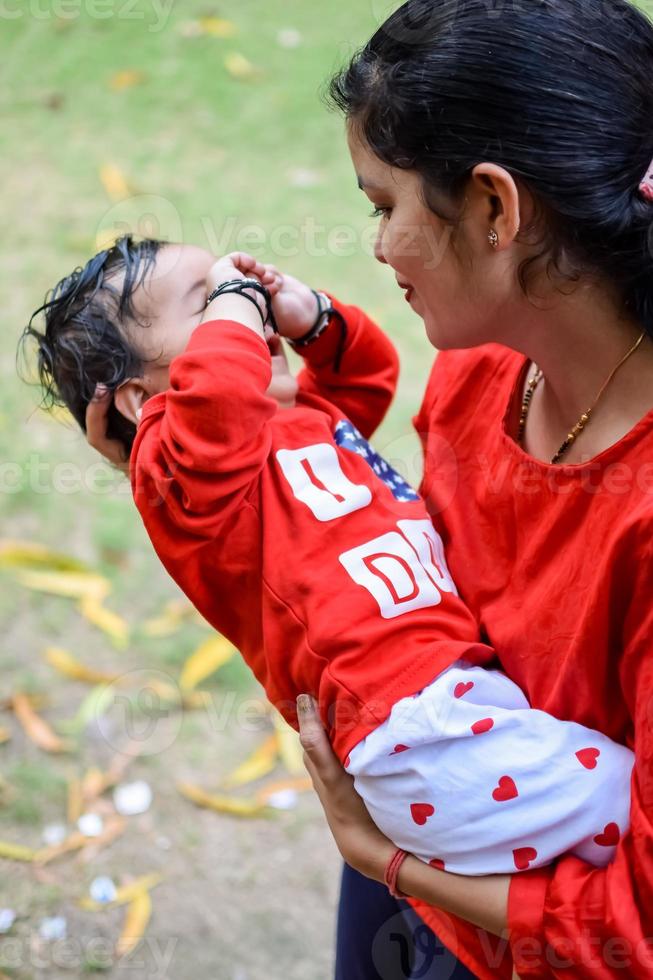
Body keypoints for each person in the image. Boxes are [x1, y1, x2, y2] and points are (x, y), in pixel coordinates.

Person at [23, 236, 632, 882]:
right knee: (622, 804)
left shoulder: (298, 415)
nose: (247, 304)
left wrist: (310, 317)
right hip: (406, 723)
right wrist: (234, 307)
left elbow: (367, 377)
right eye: (210, 305)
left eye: (241, 287)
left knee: (608, 815)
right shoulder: (188, 482)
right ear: (143, 403)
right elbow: (214, 412)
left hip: (452, 689)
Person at [292, 0, 653, 976]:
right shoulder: (481, 374)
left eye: (383, 206)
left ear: (494, 208)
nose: (375, 246)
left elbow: (638, 928)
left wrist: (388, 858)